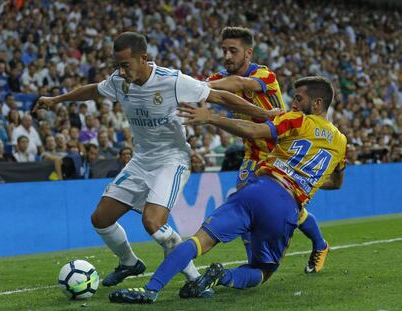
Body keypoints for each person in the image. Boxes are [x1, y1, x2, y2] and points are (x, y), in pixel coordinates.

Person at [35, 32, 268, 292]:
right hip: (141, 160)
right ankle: (129, 262)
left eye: (126, 65)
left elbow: (221, 97)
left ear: (143, 58)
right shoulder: (118, 81)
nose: (121, 72)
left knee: (153, 222)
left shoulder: (173, 81)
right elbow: (93, 90)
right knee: (100, 218)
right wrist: (56, 100)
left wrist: (266, 114)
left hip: (173, 159)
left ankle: (195, 280)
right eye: (117, 66)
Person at [108, 76, 347, 304]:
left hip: (256, 190)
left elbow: (254, 131)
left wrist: (212, 118)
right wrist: (305, 183)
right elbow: (336, 184)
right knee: (263, 270)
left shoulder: (299, 120)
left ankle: (150, 290)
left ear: (317, 103)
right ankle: (222, 276)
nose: (293, 103)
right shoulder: (341, 143)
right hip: (287, 205)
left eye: (299, 99)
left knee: (198, 241)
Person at [208, 27, 329, 273]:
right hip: (253, 154)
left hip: (280, 154)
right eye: (224, 51)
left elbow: (238, 83)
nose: (227, 56)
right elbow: (205, 91)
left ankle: (320, 244)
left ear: (248, 53)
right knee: (244, 200)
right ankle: (254, 261)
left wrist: (201, 86)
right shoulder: (218, 79)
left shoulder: (265, 75)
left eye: (233, 50)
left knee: (294, 210)